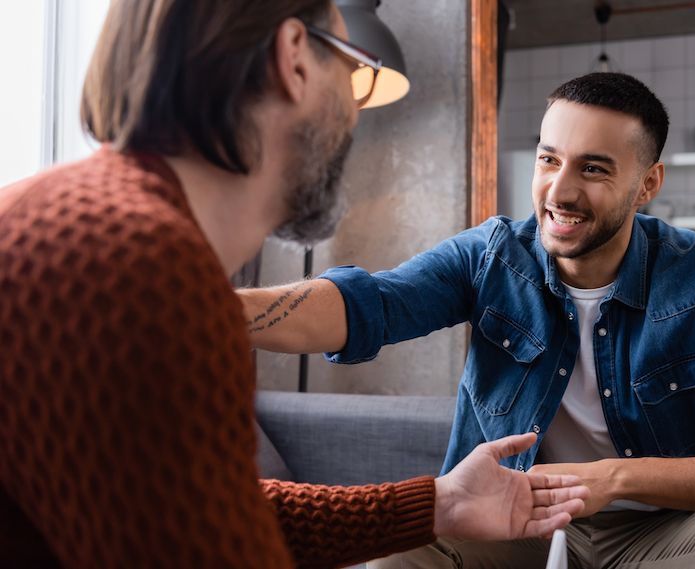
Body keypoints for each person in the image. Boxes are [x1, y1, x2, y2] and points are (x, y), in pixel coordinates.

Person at [0, 1, 591, 567]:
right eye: (355, 71)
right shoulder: (140, 269)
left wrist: (440, 504)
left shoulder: (82, 223)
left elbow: (213, 509)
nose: (356, 110)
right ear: (295, 59)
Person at [240, 72, 695, 569]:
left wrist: (613, 481)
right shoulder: (492, 256)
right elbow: (371, 305)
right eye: (549, 159)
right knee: (392, 554)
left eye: (594, 169)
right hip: (511, 520)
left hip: (662, 532)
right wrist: (211, 306)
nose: (560, 190)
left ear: (647, 183)